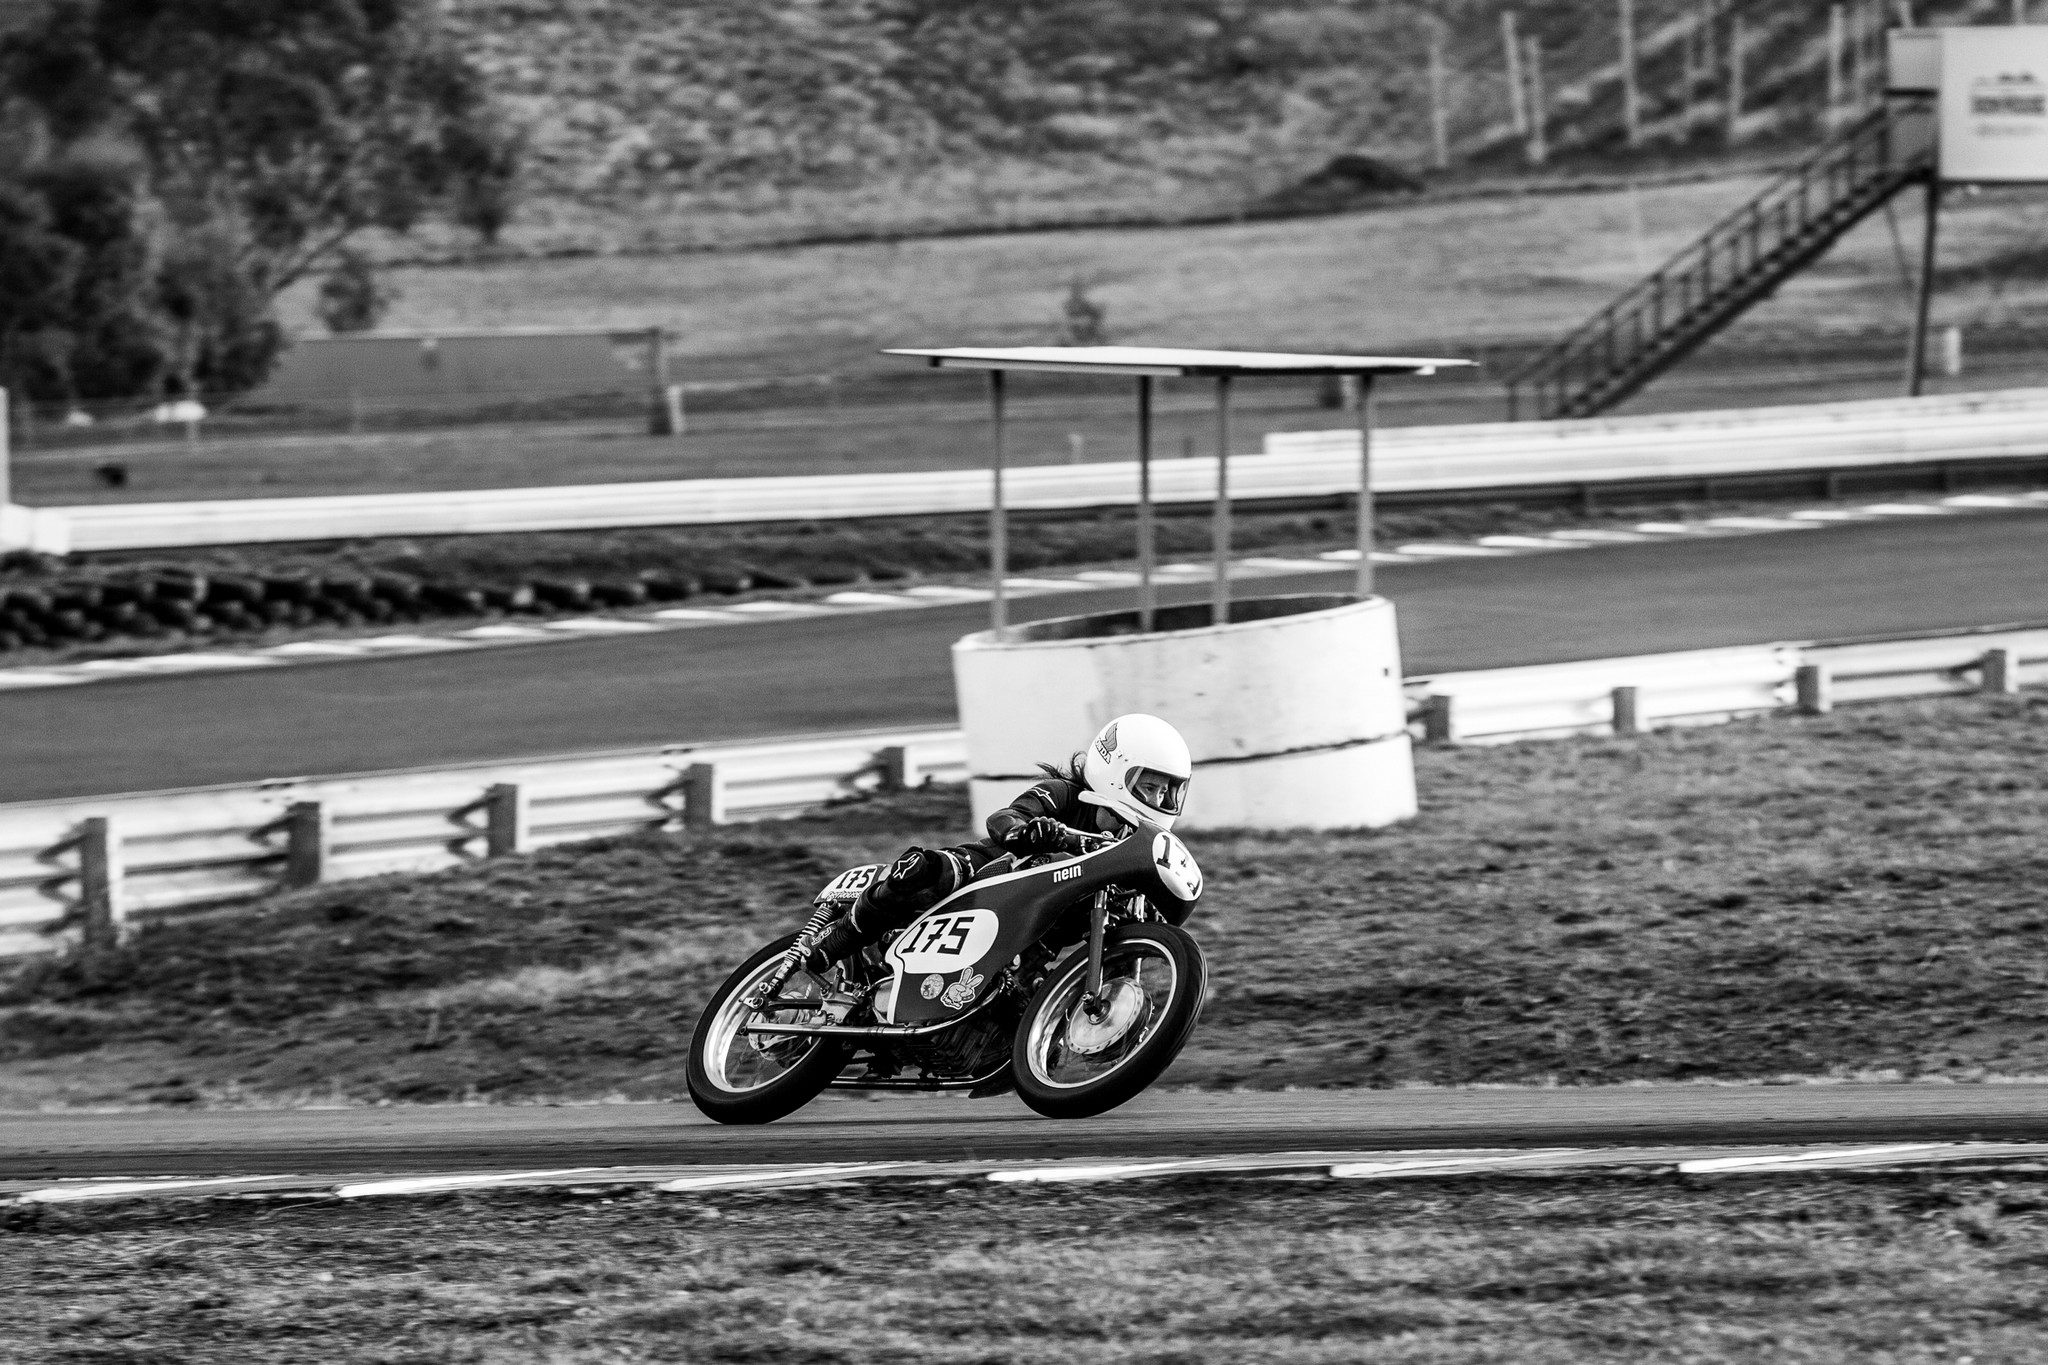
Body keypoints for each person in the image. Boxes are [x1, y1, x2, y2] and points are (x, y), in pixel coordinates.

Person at [803, 713, 1192, 971]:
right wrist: (1028, 832)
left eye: (1166, 792)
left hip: (1026, 947)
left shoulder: (1133, 851)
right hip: (983, 874)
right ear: (1116, 771)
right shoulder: (1065, 795)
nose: (1158, 800)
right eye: (1150, 786)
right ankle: (838, 942)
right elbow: (1003, 819)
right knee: (921, 869)